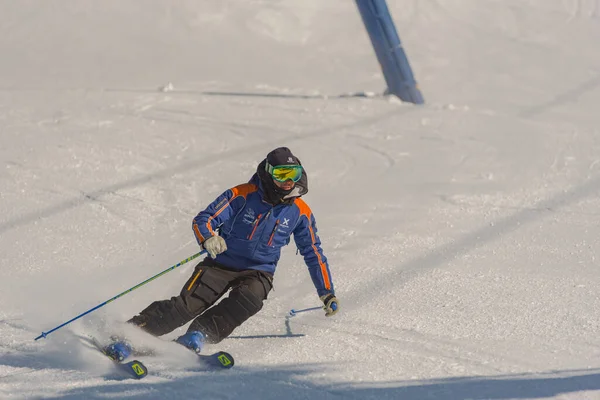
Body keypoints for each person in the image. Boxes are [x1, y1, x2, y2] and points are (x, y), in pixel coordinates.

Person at [106, 147, 338, 360]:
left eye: (293, 174)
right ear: (269, 174)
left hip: (259, 271)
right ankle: (130, 333)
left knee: (249, 300)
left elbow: (313, 253)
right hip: (221, 264)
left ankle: (198, 335)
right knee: (185, 308)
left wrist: (326, 293)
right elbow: (204, 219)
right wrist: (208, 237)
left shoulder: (300, 211)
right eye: (281, 174)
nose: (288, 181)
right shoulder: (242, 195)